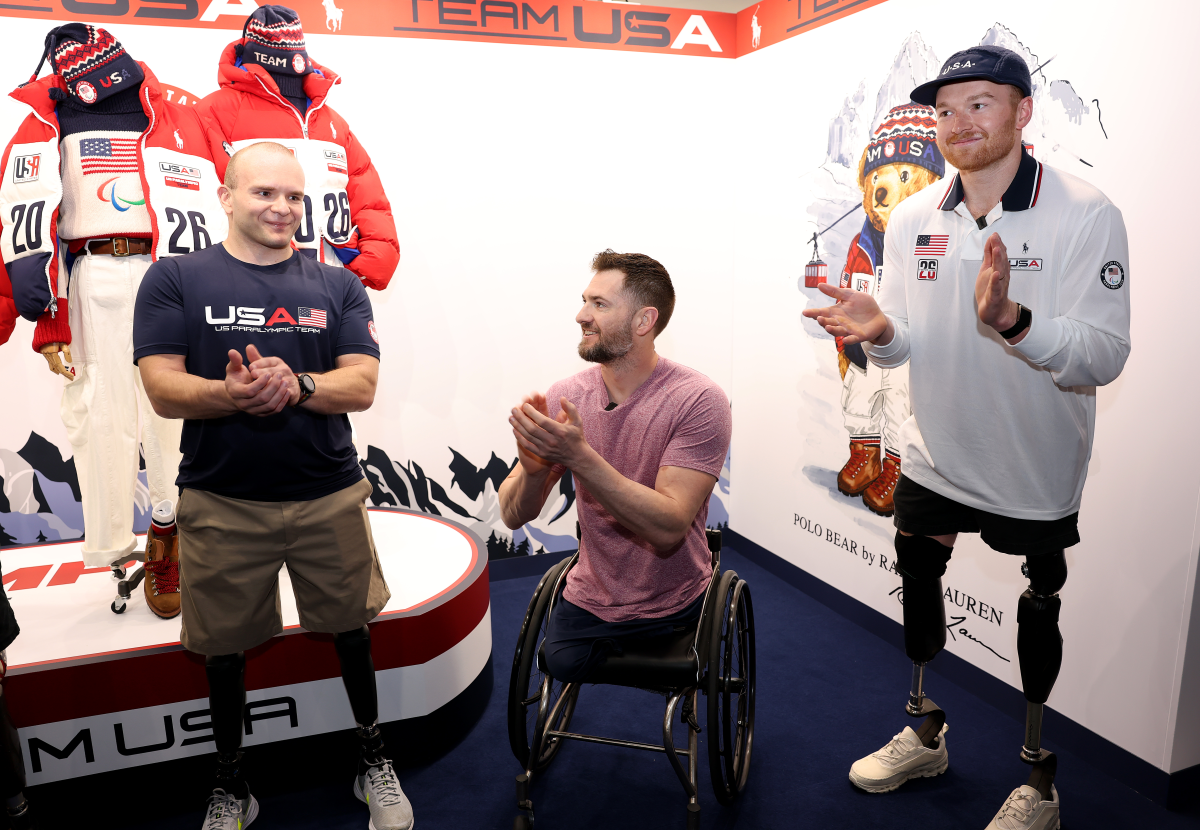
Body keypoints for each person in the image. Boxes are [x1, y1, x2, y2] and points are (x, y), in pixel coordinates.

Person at [804, 45, 1130, 830]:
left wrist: (1014, 322)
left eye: (981, 104)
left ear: (1023, 111)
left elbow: (1105, 355)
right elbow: (903, 341)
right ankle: (924, 729)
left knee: (1037, 608)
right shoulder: (915, 217)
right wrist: (880, 332)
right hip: (934, 454)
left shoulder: (1086, 212)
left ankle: (1038, 782)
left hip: (1034, 467)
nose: (959, 122)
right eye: (947, 109)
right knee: (917, 579)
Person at [133, 141, 412, 830]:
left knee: (352, 631)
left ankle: (372, 758)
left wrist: (300, 383)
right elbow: (163, 388)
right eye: (264, 193)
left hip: (329, 494)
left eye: (293, 196)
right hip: (222, 500)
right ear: (226, 197)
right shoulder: (173, 278)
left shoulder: (338, 285)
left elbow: (363, 383)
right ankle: (230, 781)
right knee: (221, 651)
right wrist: (232, 395)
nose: (282, 207)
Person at [0, 24, 228, 616]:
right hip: (91, 274)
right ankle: (114, 548)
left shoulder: (177, 106)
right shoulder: (42, 117)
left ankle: (167, 531)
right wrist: (47, 319)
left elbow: (221, 197)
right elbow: (21, 218)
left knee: (174, 413)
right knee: (99, 415)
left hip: (168, 273)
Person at [498, 250, 731, 683]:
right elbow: (514, 514)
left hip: (676, 602)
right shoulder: (567, 395)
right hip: (590, 595)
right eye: (585, 300)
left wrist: (578, 456)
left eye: (599, 305)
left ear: (644, 321)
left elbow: (668, 526)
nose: (581, 315)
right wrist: (532, 471)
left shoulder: (699, 400)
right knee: (560, 662)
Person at [195, 4, 399, 291]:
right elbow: (208, 200)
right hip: (256, 282)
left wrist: (371, 266)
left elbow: (368, 198)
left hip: (336, 284)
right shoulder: (215, 111)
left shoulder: (331, 120)